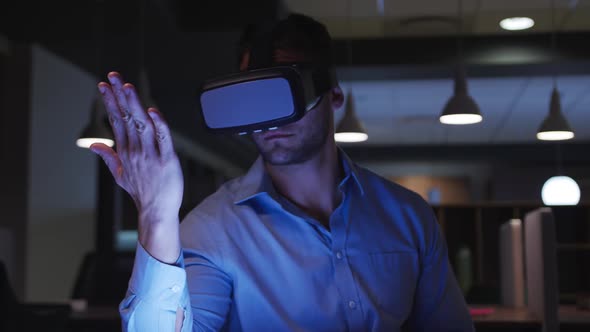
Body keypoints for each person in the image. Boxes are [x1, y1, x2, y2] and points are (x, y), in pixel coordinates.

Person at [90, 13, 474, 332]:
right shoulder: (213, 228)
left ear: (333, 95)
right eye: (252, 95)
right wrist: (156, 214)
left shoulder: (408, 217)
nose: (268, 116)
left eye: (284, 90)